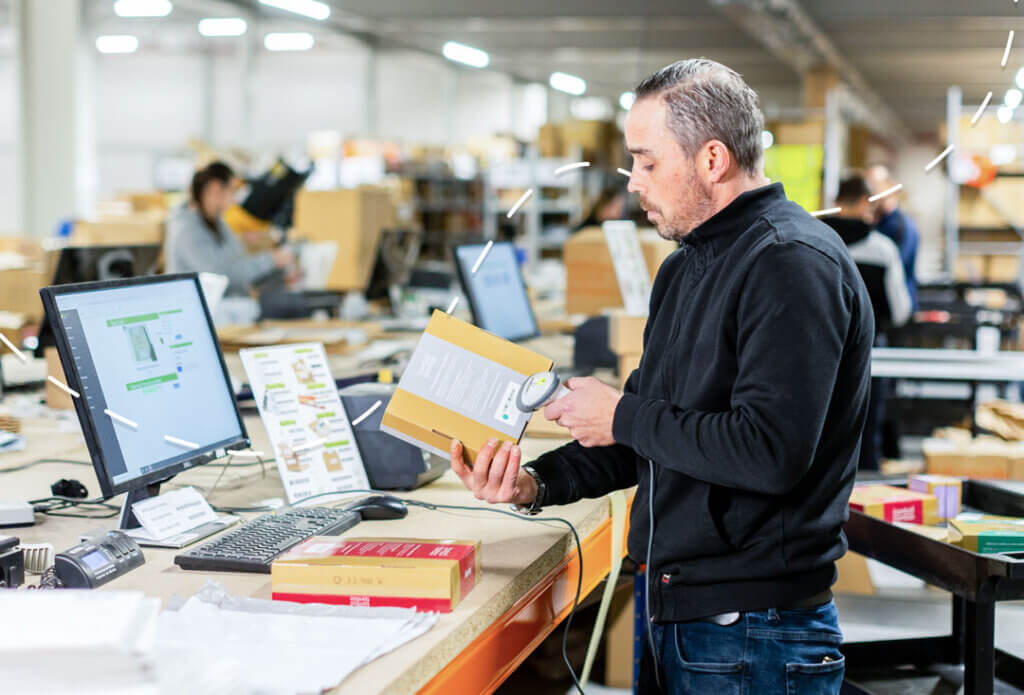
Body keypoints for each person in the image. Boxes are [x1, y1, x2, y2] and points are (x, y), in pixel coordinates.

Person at [449, 58, 874, 694]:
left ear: (711, 160)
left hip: (752, 630)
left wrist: (619, 412)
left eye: (647, 162)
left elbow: (769, 452)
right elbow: (659, 435)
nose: (634, 184)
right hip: (674, 604)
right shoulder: (687, 266)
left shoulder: (789, 264)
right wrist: (535, 485)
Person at [821, 176, 911, 471]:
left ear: (836, 203)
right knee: (866, 429)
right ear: (863, 203)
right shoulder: (882, 250)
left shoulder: (814, 241)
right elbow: (900, 310)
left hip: (819, 354)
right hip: (870, 354)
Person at [165, 161, 295, 297]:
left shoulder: (217, 222)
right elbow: (218, 275)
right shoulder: (187, 229)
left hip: (231, 304)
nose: (234, 200)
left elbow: (236, 259)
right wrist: (271, 260)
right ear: (215, 188)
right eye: (233, 190)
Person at [866, 164, 919, 310]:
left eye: (875, 186)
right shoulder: (875, 223)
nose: (871, 193)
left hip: (897, 308)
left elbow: (894, 268)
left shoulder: (902, 227)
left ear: (891, 187)